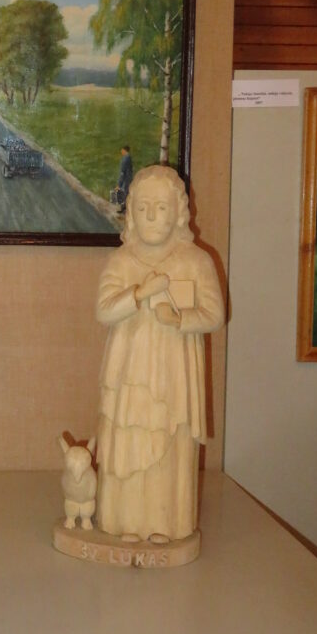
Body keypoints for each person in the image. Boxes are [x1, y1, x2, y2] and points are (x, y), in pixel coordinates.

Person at [95, 165, 225, 543]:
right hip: (129, 372)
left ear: (179, 213)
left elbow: (214, 314)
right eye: (143, 208)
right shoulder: (122, 261)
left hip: (173, 374)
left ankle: (166, 525)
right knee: (129, 440)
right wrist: (139, 294)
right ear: (131, 213)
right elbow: (103, 310)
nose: (151, 216)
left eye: (162, 208)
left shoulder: (195, 261)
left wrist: (180, 318)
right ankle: (123, 522)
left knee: (170, 444)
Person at [114, 145, 133, 210]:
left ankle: (121, 208)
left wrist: (119, 184)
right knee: (126, 193)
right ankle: (124, 207)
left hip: (125, 179)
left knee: (122, 192)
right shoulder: (129, 157)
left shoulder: (125, 159)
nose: (121, 152)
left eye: (122, 150)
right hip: (128, 178)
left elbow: (122, 172)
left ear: (124, 150)